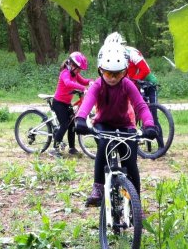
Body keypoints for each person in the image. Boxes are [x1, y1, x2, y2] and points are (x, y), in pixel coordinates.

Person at [74, 42, 158, 207]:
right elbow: (87, 102)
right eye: (108, 73)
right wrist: (80, 119)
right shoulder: (98, 84)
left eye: (117, 74)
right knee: (103, 147)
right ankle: (98, 188)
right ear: (100, 70)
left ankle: (135, 203)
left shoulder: (127, 84)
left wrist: (149, 125)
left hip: (125, 126)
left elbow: (140, 105)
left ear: (125, 72)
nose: (112, 78)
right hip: (103, 125)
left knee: (131, 164)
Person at [49, 52, 91, 157]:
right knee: (64, 124)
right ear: (72, 65)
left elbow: (84, 81)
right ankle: (55, 149)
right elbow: (68, 83)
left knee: (72, 124)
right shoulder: (65, 73)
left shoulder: (75, 73)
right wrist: (82, 88)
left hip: (66, 103)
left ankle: (72, 148)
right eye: (78, 69)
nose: (79, 71)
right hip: (58, 103)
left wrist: (92, 82)